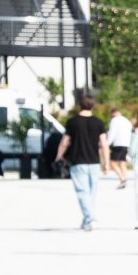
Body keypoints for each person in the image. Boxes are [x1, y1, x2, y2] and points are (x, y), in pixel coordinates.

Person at [53, 93, 108, 231]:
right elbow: (104, 144)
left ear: (79, 105)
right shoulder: (98, 122)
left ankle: (90, 219)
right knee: (91, 193)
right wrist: (106, 163)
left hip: (78, 161)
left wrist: (59, 156)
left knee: (82, 192)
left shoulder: (73, 122)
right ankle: (87, 220)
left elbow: (64, 142)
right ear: (93, 105)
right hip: (94, 162)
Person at [107, 105, 132, 189]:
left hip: (118, 144)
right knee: (122, 163)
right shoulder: (127, 121)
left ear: (113, 113)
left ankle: (122, 179)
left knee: (112, 163)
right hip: (126, 144)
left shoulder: (114, 120)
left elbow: (112, 133)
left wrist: (107, 143)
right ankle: (125, 179)